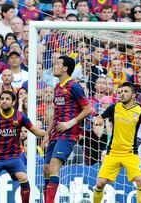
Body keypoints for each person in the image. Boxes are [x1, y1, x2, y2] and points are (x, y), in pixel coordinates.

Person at [0, 90, 47, 203]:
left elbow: (36, 131)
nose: (4, 101)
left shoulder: (20, 116)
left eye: (7, 99)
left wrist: (50, 134)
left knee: (23, 177)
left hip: (13, 156)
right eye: (2, 99)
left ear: (13, 102)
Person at [92, 82, 141, 203]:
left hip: (130, 153)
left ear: (134, 95)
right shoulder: (114, 107)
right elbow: (100, 117)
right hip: (113, 153)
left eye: (125, 92)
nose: (122, 94)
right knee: (99, 184)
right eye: (120, 92)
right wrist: (98, 121)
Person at [44, 55, 92, 203]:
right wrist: (47, 133)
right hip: (55, 133)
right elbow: (56, 113)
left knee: (53, 166)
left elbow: (88, 109)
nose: (54, 66)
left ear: (65, 68)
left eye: (58, 63)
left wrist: (70, 123)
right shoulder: (58, 87)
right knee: (46, 169)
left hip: (68, 133)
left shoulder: (74, 86)